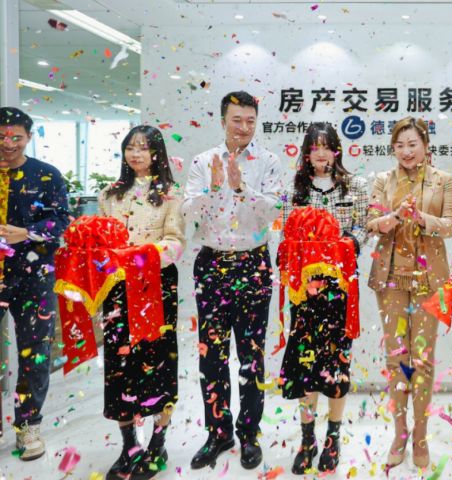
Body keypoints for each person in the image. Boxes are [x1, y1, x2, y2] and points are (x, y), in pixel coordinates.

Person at [182, 91, 284, 471]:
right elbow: (188, 214)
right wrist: (212, 189)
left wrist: (242, 188)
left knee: (251, 356)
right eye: (236, 120)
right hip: (211, 265)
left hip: (253, 264)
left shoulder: (269, 161)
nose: (243, 128)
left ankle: (249, 433)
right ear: (223, 120)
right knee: (212, 356)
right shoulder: (202, 161)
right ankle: (218, 432)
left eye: (250, 121)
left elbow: (275, 211)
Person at [276, 122, 369, 474]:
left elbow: (362, 226)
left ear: (336, 151)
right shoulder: (292, 190)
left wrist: (347, 245)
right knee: (305, 366)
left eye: (327, 146)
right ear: (306, 152)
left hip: (339, 290)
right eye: (314, 147)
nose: (321, 153)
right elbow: (285, 237)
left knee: (336, 364)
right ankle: (307, 439)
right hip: (303, 293)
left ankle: (332, 437)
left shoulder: (355, 186)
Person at [366, 116, 452, 469]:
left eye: (412, 144)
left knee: (422, 359)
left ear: (425, 146)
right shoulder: (383, 180)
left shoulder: (443, 180)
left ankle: (420, 434)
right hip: (390, 277)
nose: (406, 151)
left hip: (428, 279)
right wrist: (394, 216)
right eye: (400, 145)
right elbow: (371, 223)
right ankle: (400, 432)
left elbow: (450, 226)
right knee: (396, 359)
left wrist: (421, 219)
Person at [98, 125, 185, 480]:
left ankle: (157, 442)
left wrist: (141, 257)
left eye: (143, 148)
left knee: (157, 363)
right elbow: (101, 243)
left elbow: (175, 241)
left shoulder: (170, 194)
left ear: (157, 153)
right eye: (130, 147)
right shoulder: (109, 194)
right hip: (118, 288)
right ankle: (129, 445)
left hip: (155, 286)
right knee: (119, 366)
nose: (136, 154)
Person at [0, 107, 70, 461]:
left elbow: (61, 221)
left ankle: (28, 427)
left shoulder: (47, 175)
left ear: (28, 137)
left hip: (34, 276)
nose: (9, 143)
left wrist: (27, 233)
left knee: (35, 352)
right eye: (2, 137)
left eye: (16, 137)